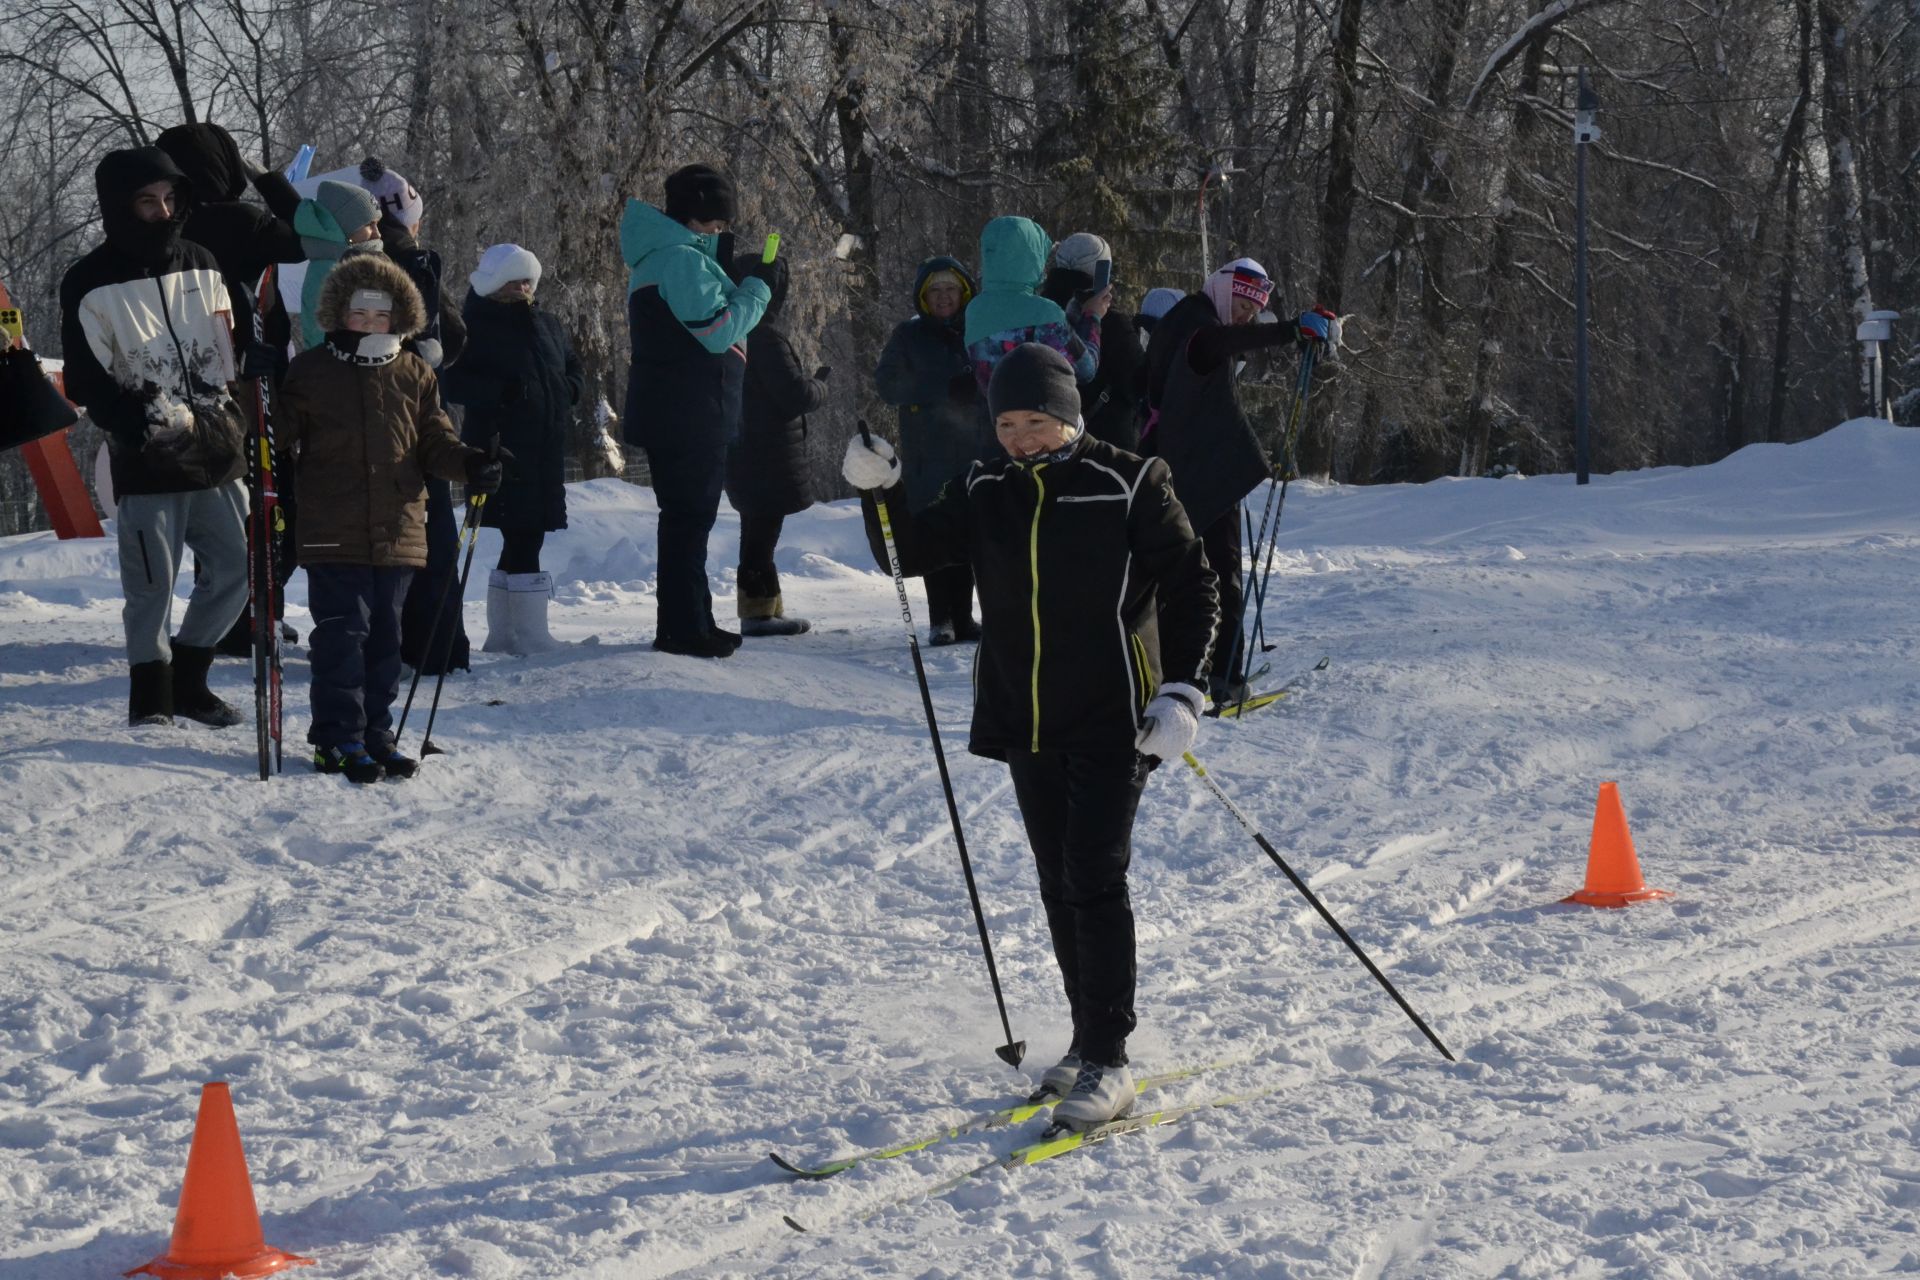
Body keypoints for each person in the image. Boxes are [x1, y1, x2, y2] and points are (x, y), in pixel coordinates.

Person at [840, 343, 1219, 1130]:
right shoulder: (987, 486)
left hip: (1117, 717)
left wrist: (1184, 688)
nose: (1020, 437)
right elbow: (908, 555)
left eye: (1036, 421)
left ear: (1069, 415)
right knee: (1057, 879)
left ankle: (1111, 1062)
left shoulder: (1130, 481)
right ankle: (1085, 1042)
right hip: (1026, 714)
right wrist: (884, 492)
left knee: (1093, 874)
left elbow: (1193, 581)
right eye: (1007, 422)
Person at [276, 251, 503, 783]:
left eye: (382, 316)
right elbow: (275, 435)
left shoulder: (415, 372)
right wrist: (257, 383)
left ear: (399, 318)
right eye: (360, 314)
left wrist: (472, 463)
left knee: (386, 639)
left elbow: (435, 442)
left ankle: (375, 733)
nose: (372, 324)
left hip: (400, 526)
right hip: (333, 527)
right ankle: (336, 738)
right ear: (339, 315)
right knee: (342, 634)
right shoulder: (311, 370)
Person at [59, 146, 250, 729]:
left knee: (240, 567)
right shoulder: (89, 280)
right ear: (120, 207)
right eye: (147, 202)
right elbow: (87, 379)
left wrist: (251, 365)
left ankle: (191, 681)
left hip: (217, 445)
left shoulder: (203, 260)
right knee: (152, 585)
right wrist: (132, 417)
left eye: (170, 199)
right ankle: (150, 698)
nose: (163, 211)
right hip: (149, 452)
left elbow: (233, 341)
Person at [1142, 258, 1332, 704]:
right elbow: (1221, 342)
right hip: (1202, 474)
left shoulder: (1183, 318)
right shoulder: (1200, 326)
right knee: (1220, 574)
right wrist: (1290, 330)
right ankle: (1223, 674)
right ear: (1224, 290)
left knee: (1181, 575)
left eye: (1254, 308)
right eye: (1243, 303)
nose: (1246, 314)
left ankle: (1178, 666)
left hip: (1172, 466)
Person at [155, 123, 309, 659]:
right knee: (273, 503)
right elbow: (310, 235)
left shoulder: (170, 229)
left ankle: (226, 617)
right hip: (251, 379)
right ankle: (252, 616)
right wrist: (268, 180)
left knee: (224, 502)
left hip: (195, 385)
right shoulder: (239, 219)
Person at [619, 163, 774, 658]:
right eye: (714, 223)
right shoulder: (680, 260)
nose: (720, 231)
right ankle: (684, 629)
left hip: (679, 408)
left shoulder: (665, 257)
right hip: (689, 411)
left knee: (686, 520)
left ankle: (692, 619)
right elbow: (718, 330)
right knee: (689, 520)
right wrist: (759, 287)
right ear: (694, 217)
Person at [349, 159, 475, 676]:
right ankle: (436, 646)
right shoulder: (413, 260)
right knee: (430, 529)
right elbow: (454, 335)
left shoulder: (336, 262)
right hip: (416, 409)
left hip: (359, 421)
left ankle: (382, 642)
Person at [443, 244, 584, 654]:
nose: (522, 287)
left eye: (527, 280)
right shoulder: (475, 325)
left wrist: (569, 389)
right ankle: (527, 634)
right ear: (493, 284)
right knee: (523, 536)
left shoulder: (548, 323)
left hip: (544, 447)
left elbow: (572, 366)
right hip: (501, 447)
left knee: (525, 537)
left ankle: (507, 632)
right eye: (512, 280)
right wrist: (501, 393)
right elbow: (453, 382)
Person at [872, 255, 990, 644]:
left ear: (964, 293)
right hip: (928, 454)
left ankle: (964, 616)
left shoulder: (978, 329)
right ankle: (941, 618)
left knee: (970, 534)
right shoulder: (908, 335)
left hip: (973, 450)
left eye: (950, 289)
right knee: (935, 535)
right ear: (923, 297)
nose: (943, 297)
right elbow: (888, 386)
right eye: (935, 290)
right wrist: (941, 388)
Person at [723, 253, 826, 637]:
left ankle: (765, 606)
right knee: (761, 533)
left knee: (756, 530)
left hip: (744, 448)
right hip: (767, 450)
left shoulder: (732, 329)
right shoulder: (765, 336)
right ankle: (758, 614)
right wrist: (820, 385)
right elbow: (794, 394)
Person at [963, 215, 1107, 391]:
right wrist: (1092, 316)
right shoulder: (1044, 313)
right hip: (1037, 414)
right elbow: (1085, 370)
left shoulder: (974, 310)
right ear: (1032, 257)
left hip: (991, 415)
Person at [1039, 233, 1142, 453]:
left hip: (1049, 440)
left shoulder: (1039, 313)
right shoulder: (1113, 322)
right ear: (1101, 270)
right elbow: (1139, 382)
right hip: (1105, 444)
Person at [293, 179, 382, 350]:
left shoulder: (337, 264)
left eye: (377, 225)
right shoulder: (331, 272)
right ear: (344, 226)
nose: (377, 234)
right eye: (369, 225)